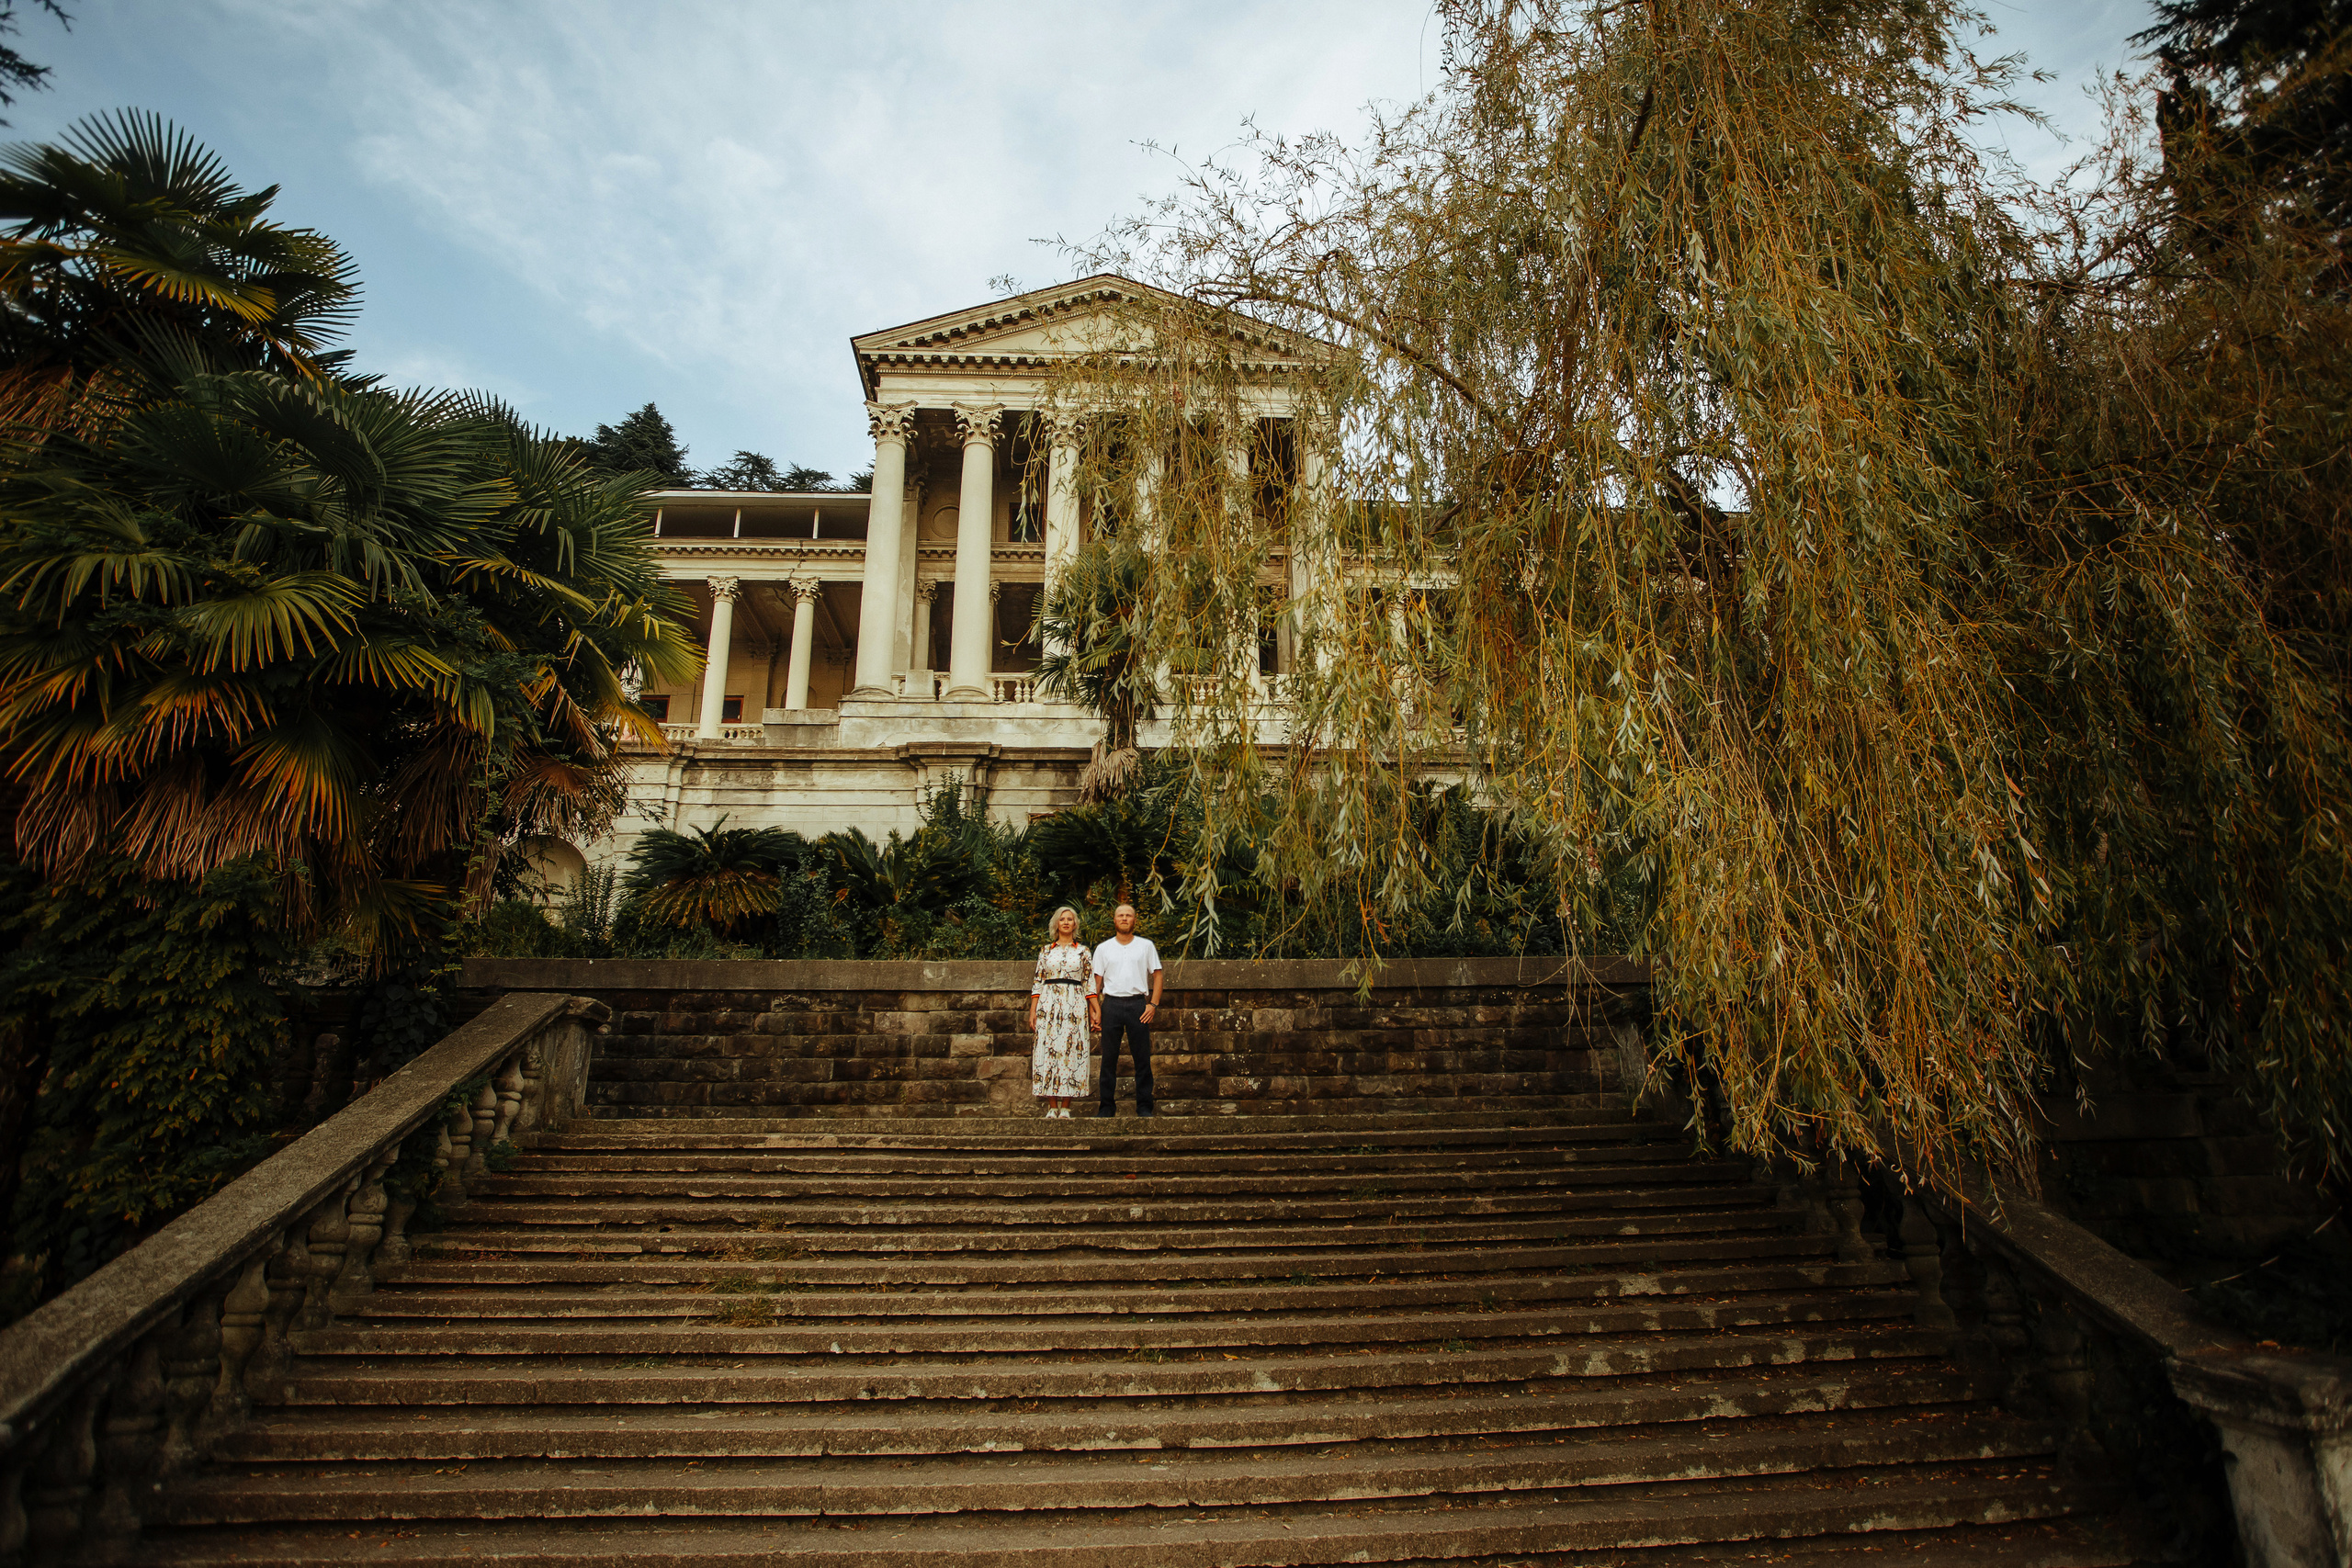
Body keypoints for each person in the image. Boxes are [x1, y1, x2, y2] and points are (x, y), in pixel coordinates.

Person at [1089, 903, 1162, 1117]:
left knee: (1142, 1059)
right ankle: (1106, 1107)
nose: (1124, 918)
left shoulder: (1146, 946)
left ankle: (1144, 1107)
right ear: (1114, 920)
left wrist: (1153, 1004)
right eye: (1120, 915)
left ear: (1134, 920)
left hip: (1138, 1005)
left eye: (1128, 915)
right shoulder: (1103, 948)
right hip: (1111, 1004)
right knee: (1108, 1059)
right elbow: (1096, 982)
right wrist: (1095, 1010)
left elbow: (1158, 975)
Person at [1026, 906, 1092, 1119]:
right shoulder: (1046, 951)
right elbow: (1038, 981)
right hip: (1048, 1004)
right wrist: (1033, 1011)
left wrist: (1095, 1009)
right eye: (1062, 919)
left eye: (1069, 919)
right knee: (1048, 1049)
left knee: (1071, 1050)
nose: (1066, 922)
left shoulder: (1083, 951)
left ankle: (1066, 1106)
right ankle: (1052, 1106)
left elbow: (1089, 982)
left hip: (1075, 1003)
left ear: (1075, 924)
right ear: (1056, 923)